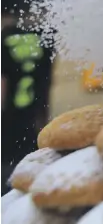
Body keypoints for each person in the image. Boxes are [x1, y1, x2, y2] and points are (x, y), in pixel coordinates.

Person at [1, 10, 54, 195]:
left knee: (6, 176)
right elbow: (47, 81)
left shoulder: (6, 36)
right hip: (35, 118)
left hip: (8, 118)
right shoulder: (46, 34)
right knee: (31, 170)